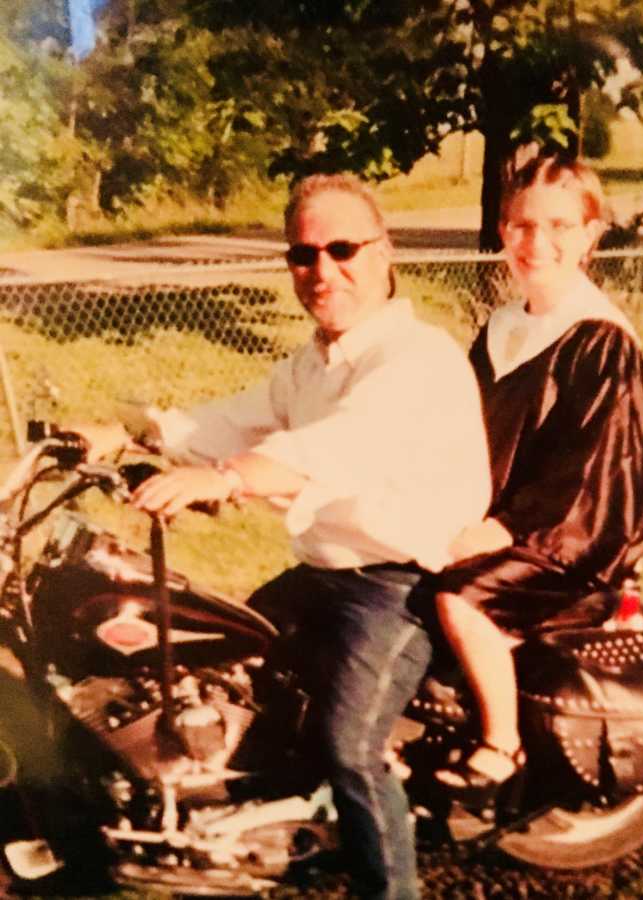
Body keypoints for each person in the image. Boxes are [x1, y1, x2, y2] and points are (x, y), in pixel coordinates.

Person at [79, 173, 491, 900]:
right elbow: (233, 418)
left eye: (342, 249)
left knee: (350, 745)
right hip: (324, 573)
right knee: (220, 669)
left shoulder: (414, 359)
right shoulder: (314, 359)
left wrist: (230, 480)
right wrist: (129, 432)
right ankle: (238, 830)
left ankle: (389, 889)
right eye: (303, 255)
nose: (322, 271)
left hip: (400, 584)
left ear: (385, 252)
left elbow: (336, 447)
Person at [434, 154, 643, 800]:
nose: (538, 243)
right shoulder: (501, 327)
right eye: (523, 226)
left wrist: (500, 529)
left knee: (459, 600)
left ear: (590, 235)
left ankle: (503, 748)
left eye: (560, 225)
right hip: (495, 517)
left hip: (573, 536)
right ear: (503, 232)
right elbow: (460, 432)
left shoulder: (602, 337)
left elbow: (586, 473)